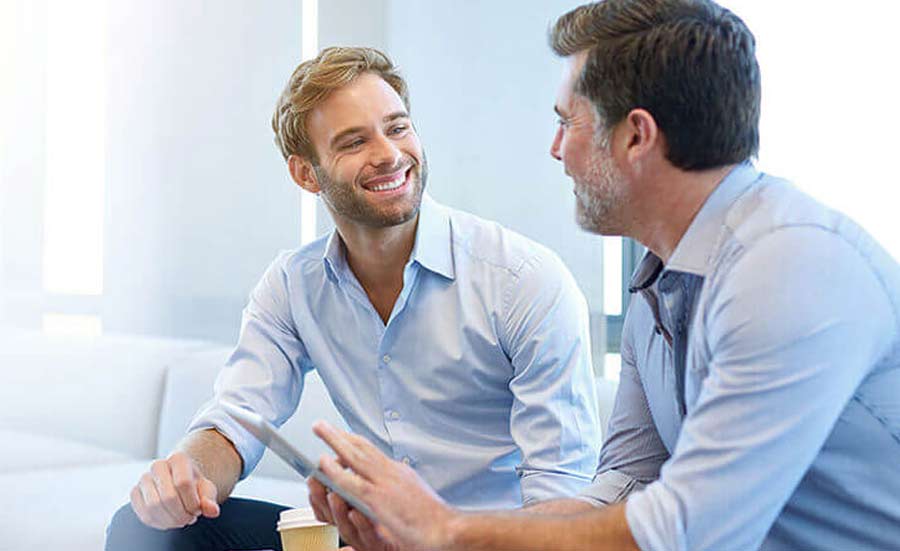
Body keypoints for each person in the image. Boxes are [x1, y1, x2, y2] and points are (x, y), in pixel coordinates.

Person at [310, 1, 900, 550]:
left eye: (568, 121)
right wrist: (427, 533)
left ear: (636, 136)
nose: (556, 148)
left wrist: (448, 528)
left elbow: (685, 529)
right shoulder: (661, 284)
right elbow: (622, 485)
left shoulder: (789, 267)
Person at [104, 47, 602, 550]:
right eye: (354, 141)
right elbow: (236, 419)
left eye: (398, 127)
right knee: (146, 527)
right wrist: (184, 476)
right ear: (306, 174)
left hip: (489, 542)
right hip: (371, 538)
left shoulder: (523, 281)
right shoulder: (294, 285)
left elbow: (561, 498)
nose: (388, 153)